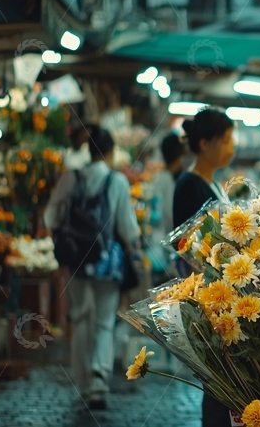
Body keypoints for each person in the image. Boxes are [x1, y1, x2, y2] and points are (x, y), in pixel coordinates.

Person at [44, 127, 140, 410]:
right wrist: (134, 253)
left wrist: (65, 234)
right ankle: (99, 380)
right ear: (109, 152)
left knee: (81, 317)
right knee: (104, 321)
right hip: (107, 261)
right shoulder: (117, 181)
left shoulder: (70, 178)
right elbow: (127, 227)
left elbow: (51, 215)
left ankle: (83, 381)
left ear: (89, 150)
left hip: (75, 259)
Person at [172, 108, 235, 427]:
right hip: (207, 295)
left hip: (222, 292)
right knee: (216, 380)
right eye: (225, 140)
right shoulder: (190, 185)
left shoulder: (212, 185)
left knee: (225, 380)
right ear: (205, 143)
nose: (231, 147)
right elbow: (184, 247)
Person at [150, 133, 186, 281]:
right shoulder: (168, 179)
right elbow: (164, 214)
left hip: (170, 245)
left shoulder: (161, 179)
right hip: (172, 246)